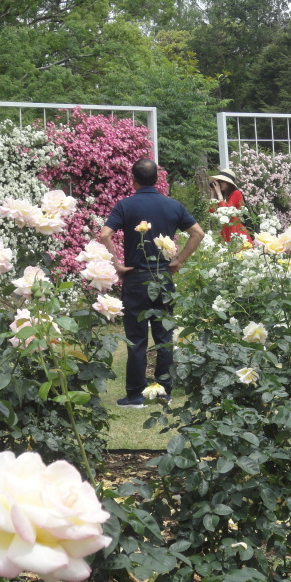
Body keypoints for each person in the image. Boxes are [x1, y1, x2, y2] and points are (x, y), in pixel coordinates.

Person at [99, 159, 205, 408]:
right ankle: (164, 391)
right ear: (157, 179)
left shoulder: (125, 205)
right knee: (164, 336)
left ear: (132, 179)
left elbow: (105, 234)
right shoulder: (173, 205)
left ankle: (135, 395)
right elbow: (198, 233)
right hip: (163, 277)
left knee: (136, 339)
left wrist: (116, 264)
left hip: (136, 278)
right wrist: (178, 260)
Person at [209, 168, 252, 242]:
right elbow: (212, 211)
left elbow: (226, 211)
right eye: (219, 181)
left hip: (237, 231)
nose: (220, 184)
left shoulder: (236, 193)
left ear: (228, 183)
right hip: (226, 230)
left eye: (222, 181)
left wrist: (219, 193)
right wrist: (213, 193)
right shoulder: (225, 196)